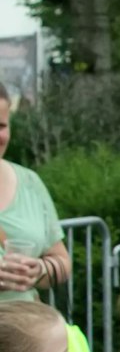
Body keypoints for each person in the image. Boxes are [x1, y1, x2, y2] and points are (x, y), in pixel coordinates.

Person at [0, 81, 71, 304]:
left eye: (1, 126)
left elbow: (61, 261)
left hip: (23, 333)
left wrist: (38, 270)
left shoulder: (29, 182)